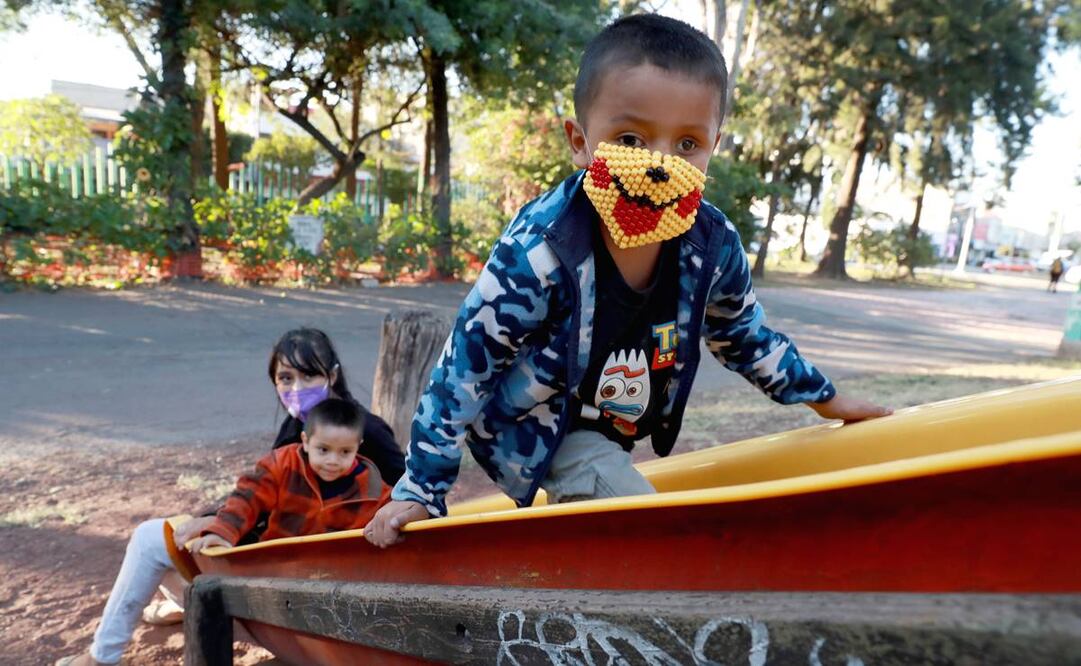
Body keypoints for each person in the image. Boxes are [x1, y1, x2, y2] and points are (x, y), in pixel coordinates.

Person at [365, 14, 890, 549]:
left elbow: (743, 336)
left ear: (714, 145)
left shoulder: (710, 245)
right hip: (540, 419)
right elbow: (466, 364)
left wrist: (826, 398)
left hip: (615, 417)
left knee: (607, 483)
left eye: (688, 143)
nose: (660, 163)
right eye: (631, 138)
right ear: (580, 141)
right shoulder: (540, 249)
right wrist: (423, 488)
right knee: (640, 528)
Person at [58, 328, 403, 666]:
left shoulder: (366, 431)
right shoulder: (295, 429)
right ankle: (179, 606)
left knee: (150, 541)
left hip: (316, 574)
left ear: (332, 375)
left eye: (309, 376)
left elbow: (405, 493)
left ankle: (101, 658)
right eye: (285, 378)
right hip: (284, 555)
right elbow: (260, 492)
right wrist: (219, 521)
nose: (296, 389)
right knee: (176, 539)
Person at [186, 398, 390, 553]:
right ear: (306, 441)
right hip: (275, 560)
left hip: (334, 573)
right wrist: (223, 531)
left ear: (358, 446)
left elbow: (394, 516)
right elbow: (247, 498)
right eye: (323, 450)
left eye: (345, 452)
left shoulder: (371, 487)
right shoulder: (283, 464)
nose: (333, 460)